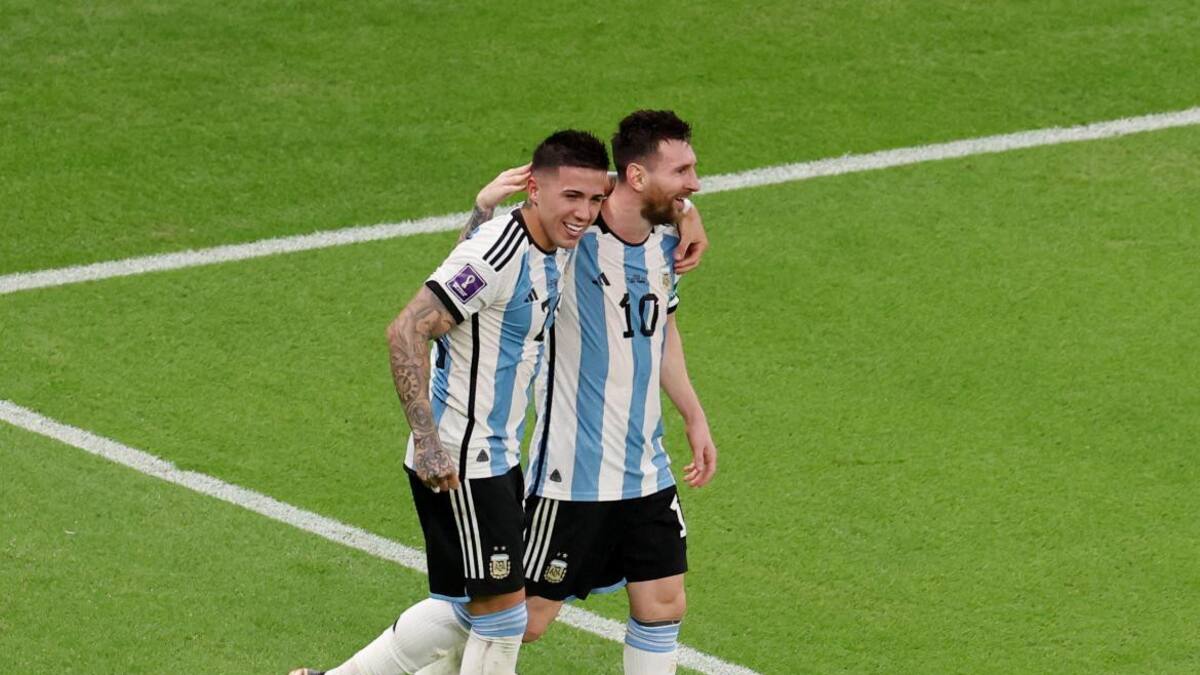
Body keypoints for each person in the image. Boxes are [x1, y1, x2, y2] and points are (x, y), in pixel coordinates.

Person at [289, 129, 611, 675]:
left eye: (595, 198)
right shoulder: (502, 250)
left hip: (499, 451)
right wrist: (429, 444)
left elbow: (466, 280)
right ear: (533, 189)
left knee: (471, 606)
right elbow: (406, 331)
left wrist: (685, 212)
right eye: (572, 197)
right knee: (504, 618)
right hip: (461, 457)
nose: (585, 213)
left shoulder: (551, 241)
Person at [473, 110, 718, 675]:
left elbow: (663, 332)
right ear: (634, 177)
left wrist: (694, 416)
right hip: (572, 475)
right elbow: (516, 231)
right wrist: (484, 206)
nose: (695, 182)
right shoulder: (572, 238)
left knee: (662, 604)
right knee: (521, 620)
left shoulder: (663, 244)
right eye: (682, 171)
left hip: (646, 468)